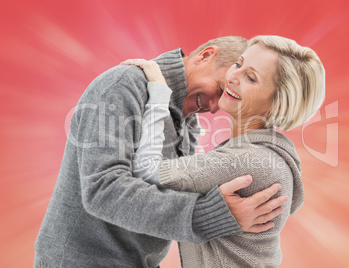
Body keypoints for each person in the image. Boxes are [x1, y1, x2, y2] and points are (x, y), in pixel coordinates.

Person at [33, 36, 288, 268]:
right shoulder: (123, 86)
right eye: (220, 90)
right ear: (205, 55)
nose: (213, 108)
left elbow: (166, 185)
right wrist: (210, 215)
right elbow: (104, 190)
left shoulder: (189, 118)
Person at [122, 35, 325, 267]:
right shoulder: (266, 153)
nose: (232, 76)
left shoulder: (248, 160)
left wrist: (159, 94)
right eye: (238, 64)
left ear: (278, 104)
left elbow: (146, 172)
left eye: (250, 77)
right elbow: (191, 177)